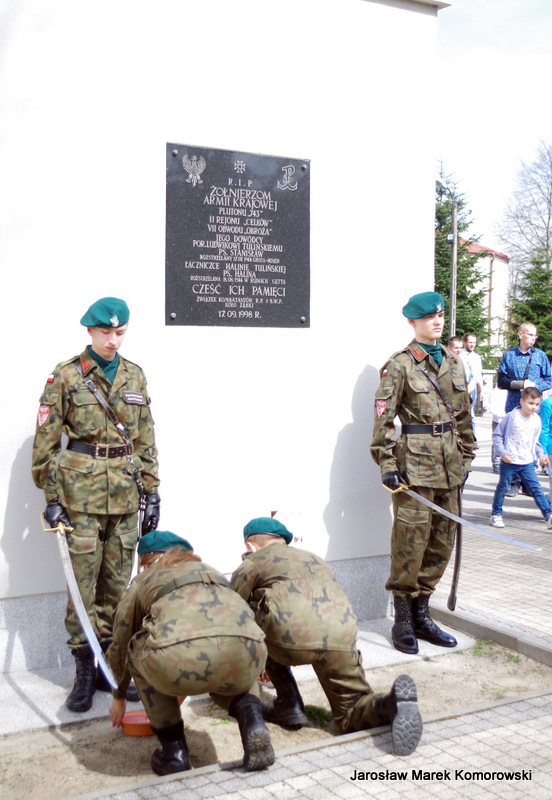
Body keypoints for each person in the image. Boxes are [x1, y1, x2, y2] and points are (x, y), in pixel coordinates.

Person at [32, 297, 161, 713]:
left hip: (124, 495)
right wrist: (52, 497)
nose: (113, 340)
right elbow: (46, 444)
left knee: (117, 588)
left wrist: (152, 491)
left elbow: (145, 439)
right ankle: (85, 669)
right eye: (105, 332)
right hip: (80, 497)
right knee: (82, 586)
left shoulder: (134, 375)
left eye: (119, 332)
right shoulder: (66, 376)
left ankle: (110, 664)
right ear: (90, 331)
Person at [231, 516, 423, 757]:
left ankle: (289, 703)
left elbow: (231, 610)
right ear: (283, 542)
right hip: (342, 635)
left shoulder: (253, 562)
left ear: (251, 546)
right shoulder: (315, 559)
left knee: (251, 620)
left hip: (289, 640)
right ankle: (389, 704)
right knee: (349, 713)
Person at [107, 530, 274, 775]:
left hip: (179, 661)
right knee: (235, 645)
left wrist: (119, 696)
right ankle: (253, 722)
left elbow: (121, 641)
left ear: (146, 562)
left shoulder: (145, 579)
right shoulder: (213, 572)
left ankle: (174, 754)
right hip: (248, 654)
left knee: (137, 646)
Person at [371, 291, 475, 655]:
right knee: (410, 544)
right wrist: (387, 464)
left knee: (441, 544)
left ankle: (422, 614)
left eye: (440, 316)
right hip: (414, 469)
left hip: (450, 468)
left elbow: (463, 416)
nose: (437, 321)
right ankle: (402, 618)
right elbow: (383, 419)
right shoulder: (399, 365)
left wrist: (467, 458)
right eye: (429, 317)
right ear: (412, 322)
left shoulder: (454, 362)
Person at [497, 322, 551, 496]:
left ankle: (528, 482)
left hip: (534, 407)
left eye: (535, 336)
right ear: (520, 334)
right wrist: (520, 384)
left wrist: (534, 387)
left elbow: (548, 379)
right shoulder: (509, 356)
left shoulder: (540, 356)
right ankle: (513, 482)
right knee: (512, 441)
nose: (533, 338)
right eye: (530, 335)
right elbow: (501, 381)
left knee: (531, 441)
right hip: (515, 404)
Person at [490, 387, 552, 530]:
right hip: (510, 460)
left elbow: (535, 441)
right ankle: (496, 514)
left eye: (537, 404)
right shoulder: (512, 417)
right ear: (522, 401)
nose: (534, 407)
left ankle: (548, 515)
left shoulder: (536, 420)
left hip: (527, 461)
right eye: (530, 403)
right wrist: (502, 453)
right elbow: (497, 435)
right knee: (503, 487)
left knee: (536, 489)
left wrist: (541, 454)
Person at [460, 333, 483, 445]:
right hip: (462, 387)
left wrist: (481, 391)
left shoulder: (477, 357)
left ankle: (473, 440)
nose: (472, 345)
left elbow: (479, 375)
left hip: (473, 387)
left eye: (474, 342)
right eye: (470, 342)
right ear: (464, 342)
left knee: (471, 414)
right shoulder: (460, 355)